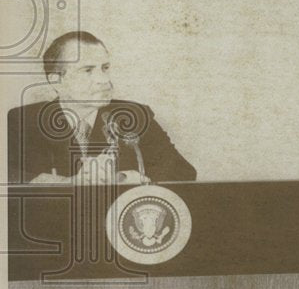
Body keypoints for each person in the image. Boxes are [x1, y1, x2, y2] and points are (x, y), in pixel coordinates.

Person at [7, 31, 197, 184]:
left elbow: (182, 171)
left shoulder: (135, 115)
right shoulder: (23, 121)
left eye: (105, 68)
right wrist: (62, 182)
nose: (104, 80)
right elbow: (8, 173)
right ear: (56, 81)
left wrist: (125, 178)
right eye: (87, 70)